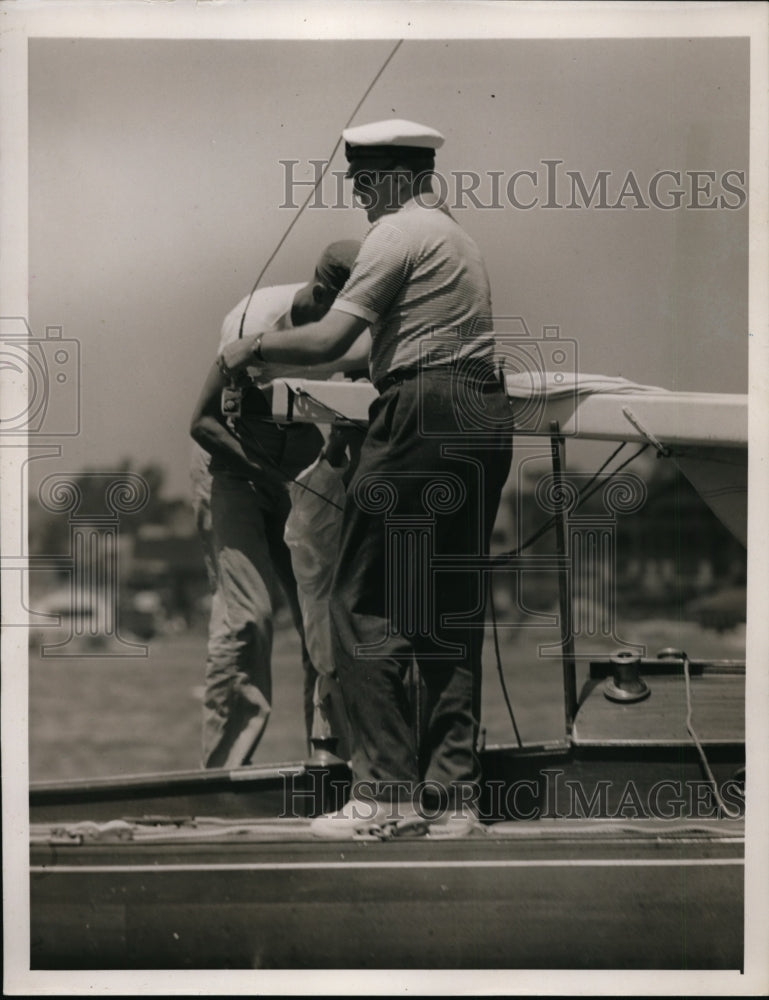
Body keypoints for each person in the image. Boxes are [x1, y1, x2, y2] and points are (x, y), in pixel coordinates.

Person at [219, 119, 514, 835]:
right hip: (481, 413)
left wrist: (246, 349)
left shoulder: (396, 234)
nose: (356, 190)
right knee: (447, 613)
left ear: (395, 177)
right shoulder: (456, 238)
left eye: (362, 178)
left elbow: (328, 341)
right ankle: (453, 802)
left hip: (419, 411)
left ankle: (383, 796)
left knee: (362, 603)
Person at [190, 240, 367, 768]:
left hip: (304, 464)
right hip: (230, 462)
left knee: (323, 614)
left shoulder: (363, 336)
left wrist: (327, 465)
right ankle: (223, 774)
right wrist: (269, 476)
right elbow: (203, 422)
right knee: (248, 620)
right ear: (324, 293)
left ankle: (329, 760)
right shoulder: (254, 319)